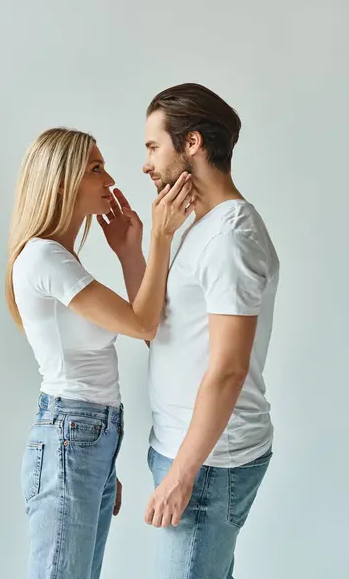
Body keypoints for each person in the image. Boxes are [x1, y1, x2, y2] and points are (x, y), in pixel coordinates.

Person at [5, 127, 195, 579]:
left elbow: (150, 330)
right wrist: (160, 239)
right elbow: (143, 323)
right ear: (63, 181)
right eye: (95, 168)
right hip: (72, 432)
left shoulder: (60, 259)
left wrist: (130, 251)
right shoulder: (44, 257)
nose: (109, 180)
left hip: (89, 435)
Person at [106, 83, 280, 578]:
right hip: (188, 452)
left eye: (152, 146)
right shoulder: (201, 228)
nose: (145, 164)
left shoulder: (230, 238)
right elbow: (155, 327)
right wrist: (133, 251)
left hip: (208, 465)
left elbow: (228, 368)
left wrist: (183, 477)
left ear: (192, 143)